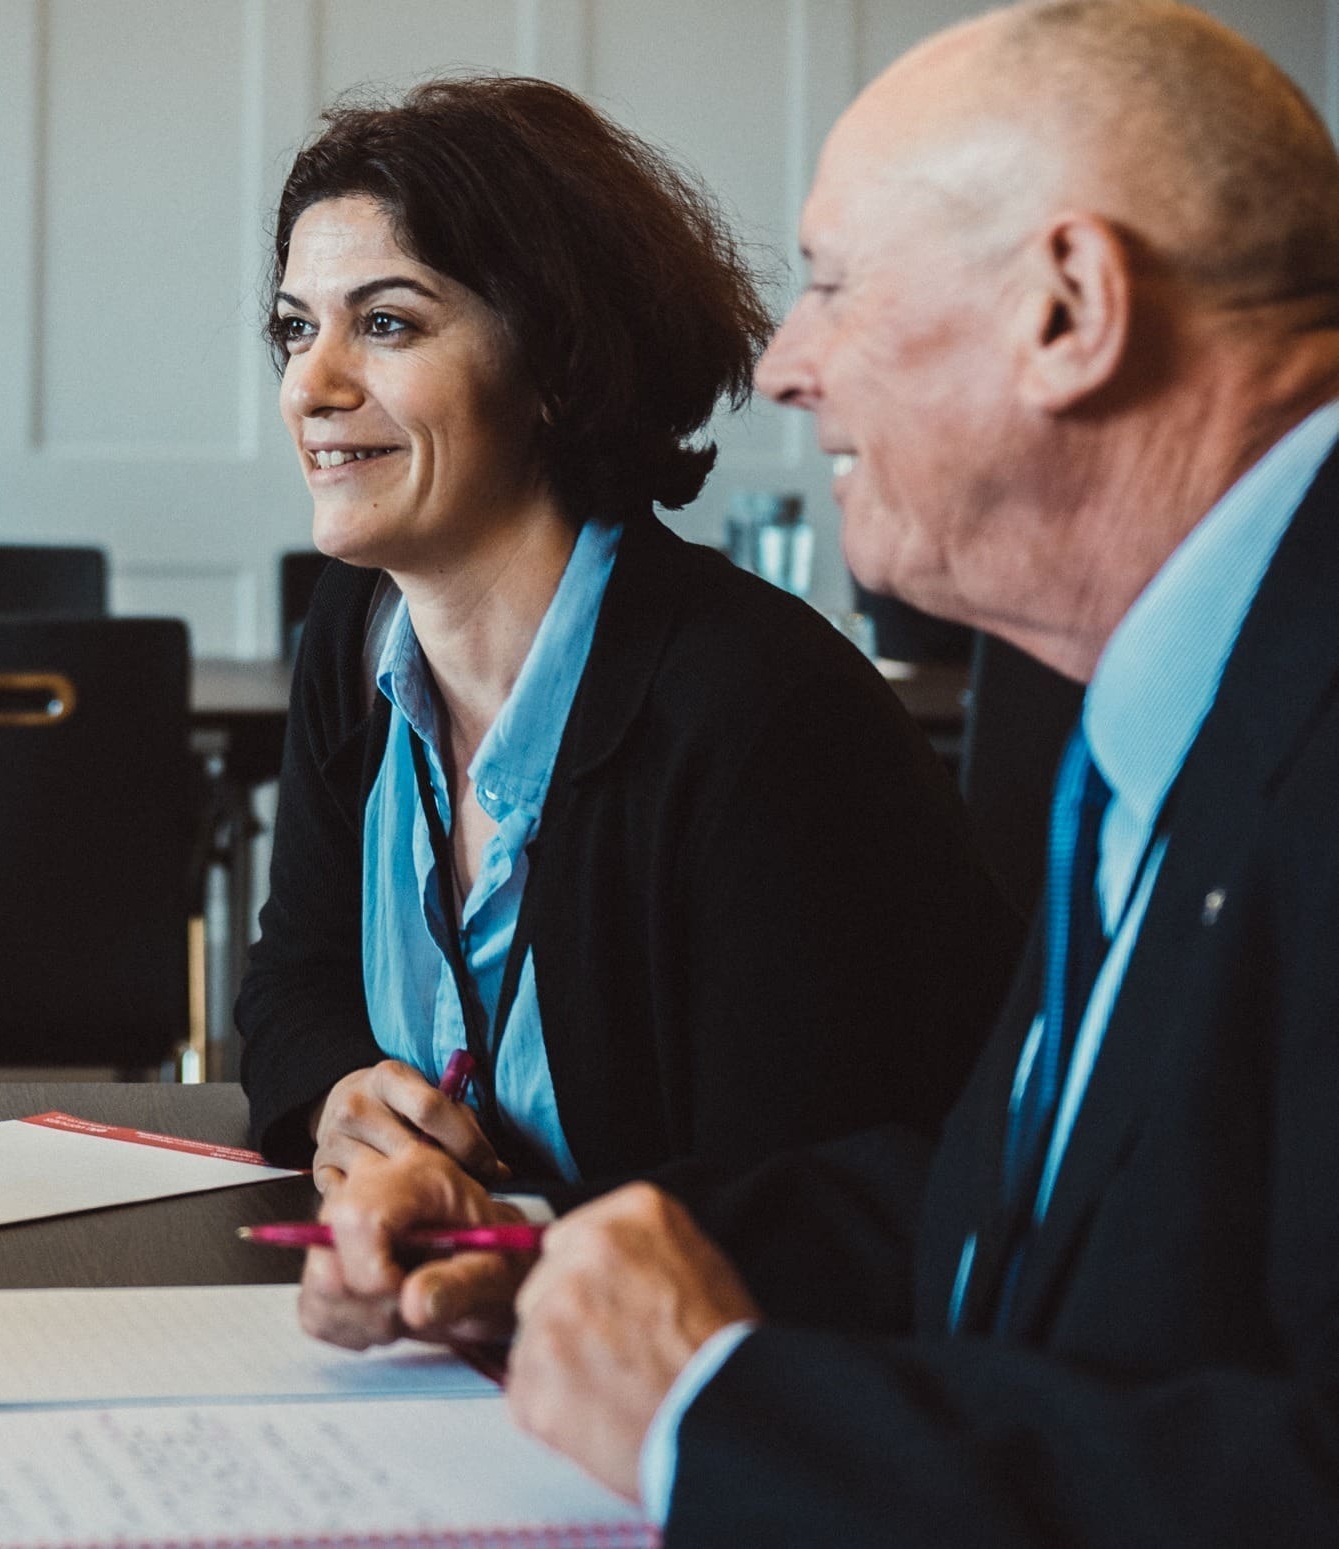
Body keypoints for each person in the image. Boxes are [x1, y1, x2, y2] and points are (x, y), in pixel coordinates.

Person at [297, 3, 1339, 1540]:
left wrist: (725, 1413)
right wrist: (537, 1251)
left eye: (837, 288)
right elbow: (1003, 1220)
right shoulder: (1120, 686)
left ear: (1070, 310)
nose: (785, 366)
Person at [236, 77, 1019, 1199]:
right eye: (297, 328)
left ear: (553, 363)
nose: (310, 385)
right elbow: (292, 980)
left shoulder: (756, 714)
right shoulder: (354, 640)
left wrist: (524, 1267)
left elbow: (815, 1198)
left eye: (388, 323)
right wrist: (340, 1095)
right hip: (449, 1334)